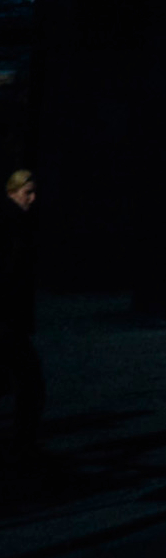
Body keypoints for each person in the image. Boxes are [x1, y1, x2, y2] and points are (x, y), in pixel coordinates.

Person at [1, 170, 42, 451]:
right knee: (30, 379)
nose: (32, 198)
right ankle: (23, 439)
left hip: (8, 314)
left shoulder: (15, 222)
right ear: (12, 193)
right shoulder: (13, 223)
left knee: (23, 377)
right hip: (7, 315)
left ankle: (22, 436)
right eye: (27, 192)